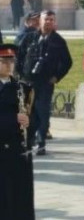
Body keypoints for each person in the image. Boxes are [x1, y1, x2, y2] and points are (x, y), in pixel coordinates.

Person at [24, 10, 72, 156]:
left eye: (52, 19)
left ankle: (41, 142)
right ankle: (28, 140)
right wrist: (20, 74)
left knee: (43, 113)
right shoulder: (30, 37)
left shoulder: (58, 41)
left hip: (45, 82)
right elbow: (19, 57)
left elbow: (67, 62)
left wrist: (57, 76)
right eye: (46, 19)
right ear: (40, 21)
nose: (49, 22)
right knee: (28, 112)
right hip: (29, 81)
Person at [0, 43, 34, 218]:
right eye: (4, 61)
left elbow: (34, 116)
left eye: (11, 61)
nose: (8, 65)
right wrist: (12, 120)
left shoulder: (22, 88)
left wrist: (29, 121)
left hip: (18, 149)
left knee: (20, 197)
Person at [13, 12, 40, 77]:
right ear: (27, 21)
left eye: (39, 20)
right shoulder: (24, 34)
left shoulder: (37, 33)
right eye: (34, 20)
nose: (37, 22)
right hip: (24, 69)